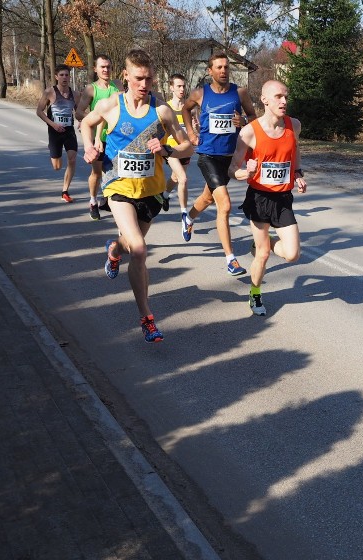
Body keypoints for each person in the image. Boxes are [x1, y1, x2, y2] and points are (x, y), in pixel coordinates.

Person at [80, 49, 193, 343]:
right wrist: (89, 146)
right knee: (141, 250)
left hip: (151, 192)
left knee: (130, 247)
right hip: (118, 189)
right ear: (125, 77)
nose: (145, 84)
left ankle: (114, 251)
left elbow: (188, 147)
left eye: (150, 78)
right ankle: (147, 318)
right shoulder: (110, 106)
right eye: (139, 78)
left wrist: (167, 149)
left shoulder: (163, 112)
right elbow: (85, 123)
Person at [230, 80, 307, 316]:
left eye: (285, 96)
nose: (284, 101)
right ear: (264, 100)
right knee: (262, 255)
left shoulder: (293, 125)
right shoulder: (249, 132)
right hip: (259, 198)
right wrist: (247, 172)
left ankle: (265, 243)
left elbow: (295, 151)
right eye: (278, 97)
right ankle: (255, 294)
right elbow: (232, 168)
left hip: (283, 198)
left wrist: (297, 173)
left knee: (293, 254)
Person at [181, 52, 257, 277]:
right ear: (210, 71)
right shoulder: (200, 93)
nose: (223, 71)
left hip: (229, 157)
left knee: (207, 197)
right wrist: (192, 134)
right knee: (224, 205)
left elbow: (253, 116)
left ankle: (189, 217)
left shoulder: (239, 93)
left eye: (226, 67)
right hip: (207, 156)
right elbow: (185, 109)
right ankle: (231, 259)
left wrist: (243, 121)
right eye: (219, 67)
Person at [75, 54, 120, 220]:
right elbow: (79, 111)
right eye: (102, 67)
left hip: (115, 137)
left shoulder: (118, 85)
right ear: (96, 69)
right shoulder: (91, 89)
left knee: (116, 172)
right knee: (97, 173)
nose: (106, 70)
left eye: (108, 66)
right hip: (97, 138)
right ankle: (93, 201)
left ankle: (108, 199)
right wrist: (92, 119)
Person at [36, 64, 80, 202]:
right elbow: (39, 111)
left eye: (66, 75)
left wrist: (82, 120)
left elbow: (79, 112)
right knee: (57, 167)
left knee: (72, 159)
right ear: (56, 77)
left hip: (69, 131)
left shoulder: (76, 94)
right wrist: (53, 125)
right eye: (61, 75)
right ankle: (53, 150)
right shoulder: (50, 92)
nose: (64, 77)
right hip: (54, 131)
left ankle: (65, 191)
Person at [162, 73, 192, 219]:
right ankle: (184, 214)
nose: (182, 89)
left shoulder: (189, 108)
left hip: (185, 150)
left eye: (183, 86)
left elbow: (193, 129)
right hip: (171, 150)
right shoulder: (166, 107)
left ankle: (165, 195)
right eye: (178, 86)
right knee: (183, 178)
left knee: (175, 177)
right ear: (171, 87)